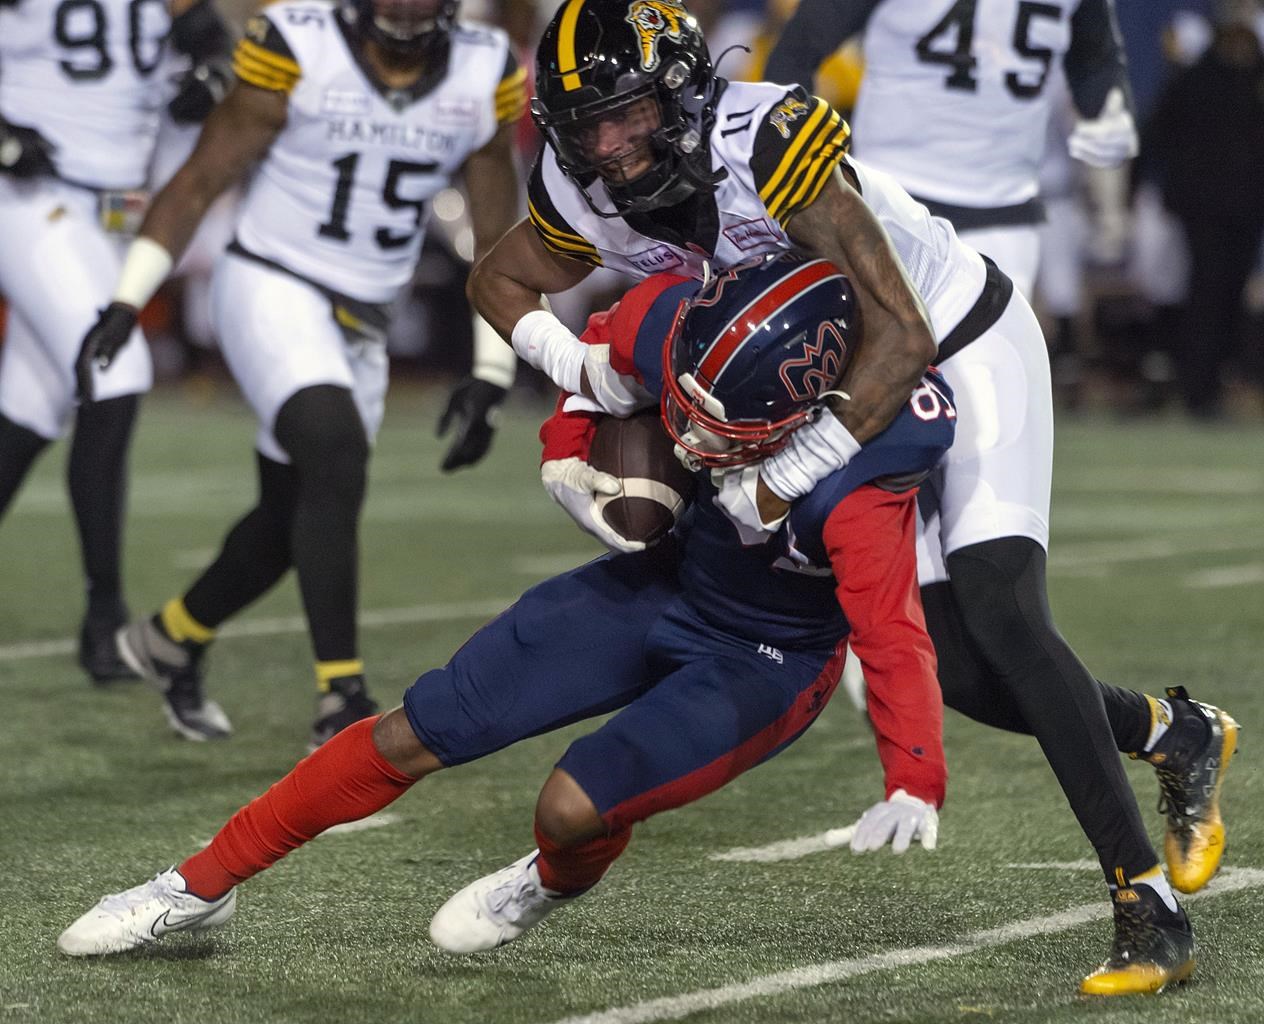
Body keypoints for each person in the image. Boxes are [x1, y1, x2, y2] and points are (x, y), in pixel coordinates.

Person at [464, 0, 1237, 994]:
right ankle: (1172, 734)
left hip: (954, 338)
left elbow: (901, 331)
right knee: (953, 666)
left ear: (685, 90)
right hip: (840, 371)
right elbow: (498, 280)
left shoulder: (768, 136)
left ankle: (1145, 903)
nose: (610, 146)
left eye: (631, 113)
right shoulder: (585, 182)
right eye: (587, 124)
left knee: (1000, 603)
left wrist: (785, 476)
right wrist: (575, 365)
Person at [58, 254, 955, 958]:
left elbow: (895, 634)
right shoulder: (676, 323)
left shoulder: (859, 488)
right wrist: (570, 451)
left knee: (570, 809)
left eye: (715, 420)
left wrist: (915, 774)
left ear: (808, 412)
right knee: (420, 724)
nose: (683, 429)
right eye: (683, 395)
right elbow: (597, 370)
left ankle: (550, 881)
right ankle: (198, 883)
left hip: (768, 655)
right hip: (665, 582)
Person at [72, 0, 525, 746]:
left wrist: (492, 368)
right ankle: (340, 696)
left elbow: (495, 236)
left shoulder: (484, 69)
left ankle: (171, 638)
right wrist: (128, 299)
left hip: (368, 314)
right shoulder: (298, 43)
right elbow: (198, 179)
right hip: (270, 281)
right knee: (333, 449)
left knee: (294, 514)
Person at [0, 0, 232, 682]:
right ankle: (104, 617)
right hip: (29, 193)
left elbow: (210, 37)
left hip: (116, 207)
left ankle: (102, 617)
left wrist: (210, 75)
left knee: (28, 408)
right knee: (116, 365)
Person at [762, 0, 1140, 300]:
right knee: (872, 378)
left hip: (1004, 213)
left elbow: (1096, 64)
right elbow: (797, 53)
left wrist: (1112, 110)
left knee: (994, 384)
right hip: (888, 204)